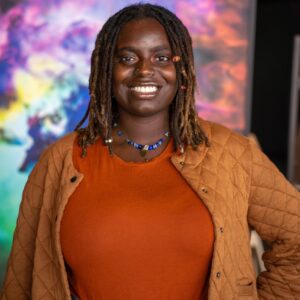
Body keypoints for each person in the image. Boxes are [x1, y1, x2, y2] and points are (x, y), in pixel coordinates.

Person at [1, 3, 300, 300]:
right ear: (107, 68)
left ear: (180, 69)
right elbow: (22, 278)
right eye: (128, 58)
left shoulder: (231, 153)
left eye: (161, 57)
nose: (145, 70)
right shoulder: (60, 160)